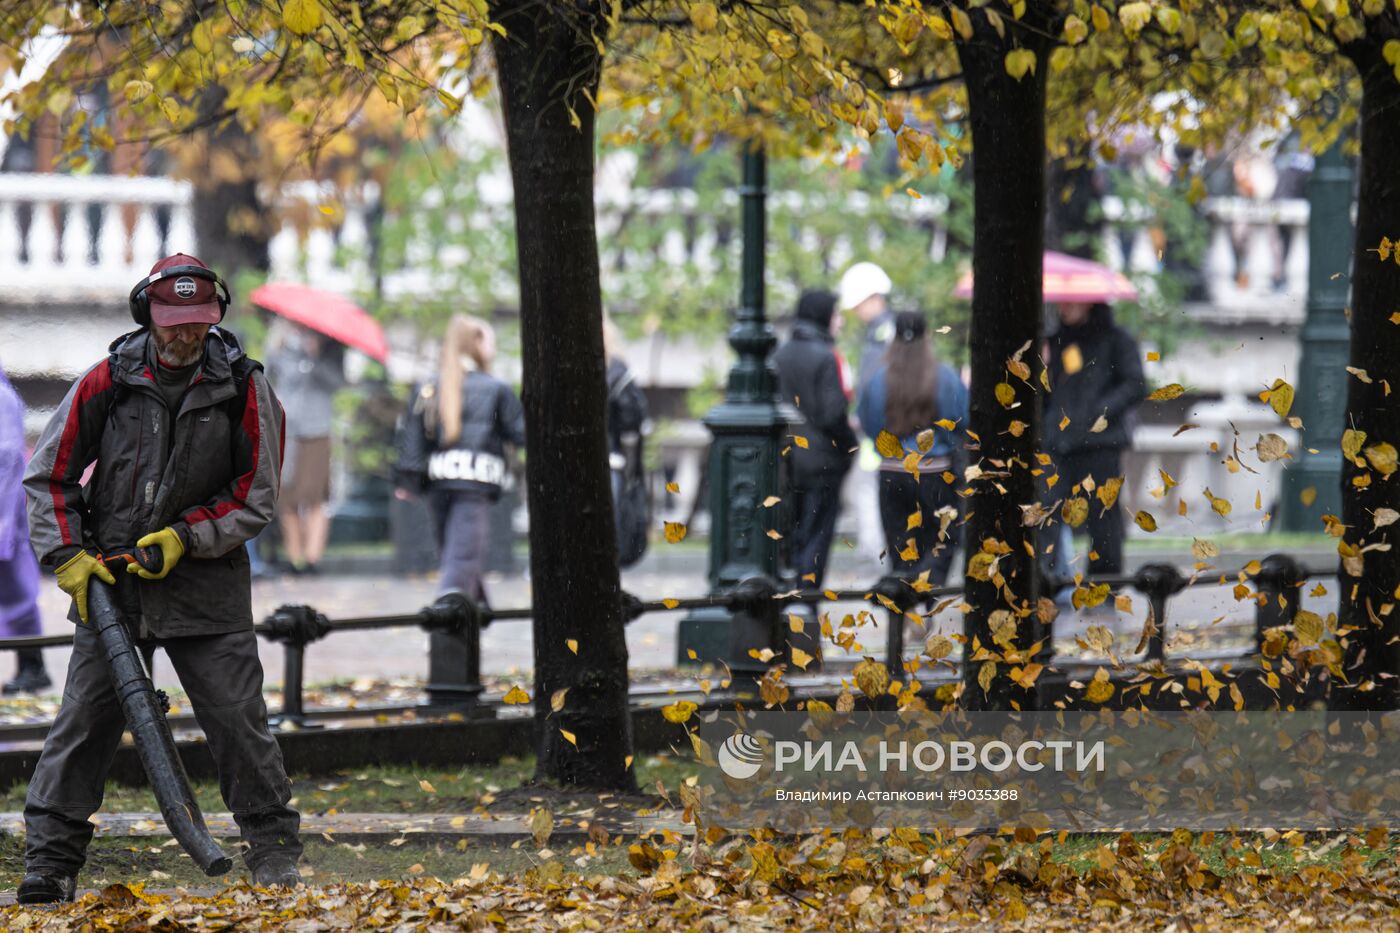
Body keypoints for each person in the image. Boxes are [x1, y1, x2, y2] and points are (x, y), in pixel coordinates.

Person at [18, 253, 301, 903]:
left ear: (215, 315)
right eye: (173, 321)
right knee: (83, 723)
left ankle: (273, 850)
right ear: (148, 315)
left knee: (238, 719)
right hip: (112, 585)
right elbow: (49, 477)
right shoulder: (106, 380)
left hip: (208, 584)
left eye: (198, 319)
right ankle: (50, 862)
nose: (185, 333)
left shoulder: (245, 386)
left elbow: (255, 494)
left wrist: (186, 536)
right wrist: (68, 555)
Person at [394, 315, 525, 604]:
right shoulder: (496, 388)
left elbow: (413, 438)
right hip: (475, 482)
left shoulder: (429, 385)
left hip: (439, 482)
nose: (492, 348)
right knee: (462, 556)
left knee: (454, 554)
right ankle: (448, 618)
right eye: (489, 341)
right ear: (476, 343)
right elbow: (520, 434)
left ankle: (478, 609)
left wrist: (408, 480)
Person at [857, 311, 969, 586]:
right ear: (927, 335)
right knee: (940, 542)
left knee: (900, 547)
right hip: (935, 471)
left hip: (892, 471)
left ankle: (904, 597)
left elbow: (869, 422)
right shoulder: (943, 376)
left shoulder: (879, 379)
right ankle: (926, 594)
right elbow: (960, 419)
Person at [1043, 301, 1146, 579]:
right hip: (1059, 443)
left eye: (1072, 303)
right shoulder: (1055, 341)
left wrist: (1099, 412)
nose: (1065, 308)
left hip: (1100, 444)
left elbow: (1135, 384)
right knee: (1047, 511)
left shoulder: (1116, 340)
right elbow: (1047, 394)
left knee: (1103, 519)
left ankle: (1104, 585)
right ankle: (1046, 580)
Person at [773, 289, 857, 588]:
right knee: (816, 536)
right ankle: (807, 600)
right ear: (822, 316)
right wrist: (850, 445)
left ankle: (788, 596)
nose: (840, 321)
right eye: (835, 314)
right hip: (821, 462)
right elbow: (832, 414)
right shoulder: (826, 356)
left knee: (790, 535)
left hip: (787, 459)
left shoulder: (778, 355)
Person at [266, 322, 345, 574]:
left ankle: (313, 558)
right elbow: (266, 378)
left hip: (316, 430)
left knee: (315, 496)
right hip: (286, 430)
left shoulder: (331, 347)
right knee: (286, 497)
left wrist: (315, 357)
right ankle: (294, 557)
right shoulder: (280, 344)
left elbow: (338, 383)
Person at [1, 362, 49, 694]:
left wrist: (3, 522)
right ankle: (32, 666)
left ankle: (33, 667)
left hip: (5, 513)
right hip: (6, 514)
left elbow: (6, 459)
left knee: (17, 591)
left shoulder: (2, 398)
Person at [603, 318, 649, 568]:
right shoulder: (618, 373)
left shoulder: (616, 373)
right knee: (611, 523)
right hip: (613, 460)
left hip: (603, 460)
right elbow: (633, 419)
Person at [837, 261, 895, 390]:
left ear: (874, 298)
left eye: (858, 306)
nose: (856, 311)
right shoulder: (874, 332)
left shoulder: (890, 332)